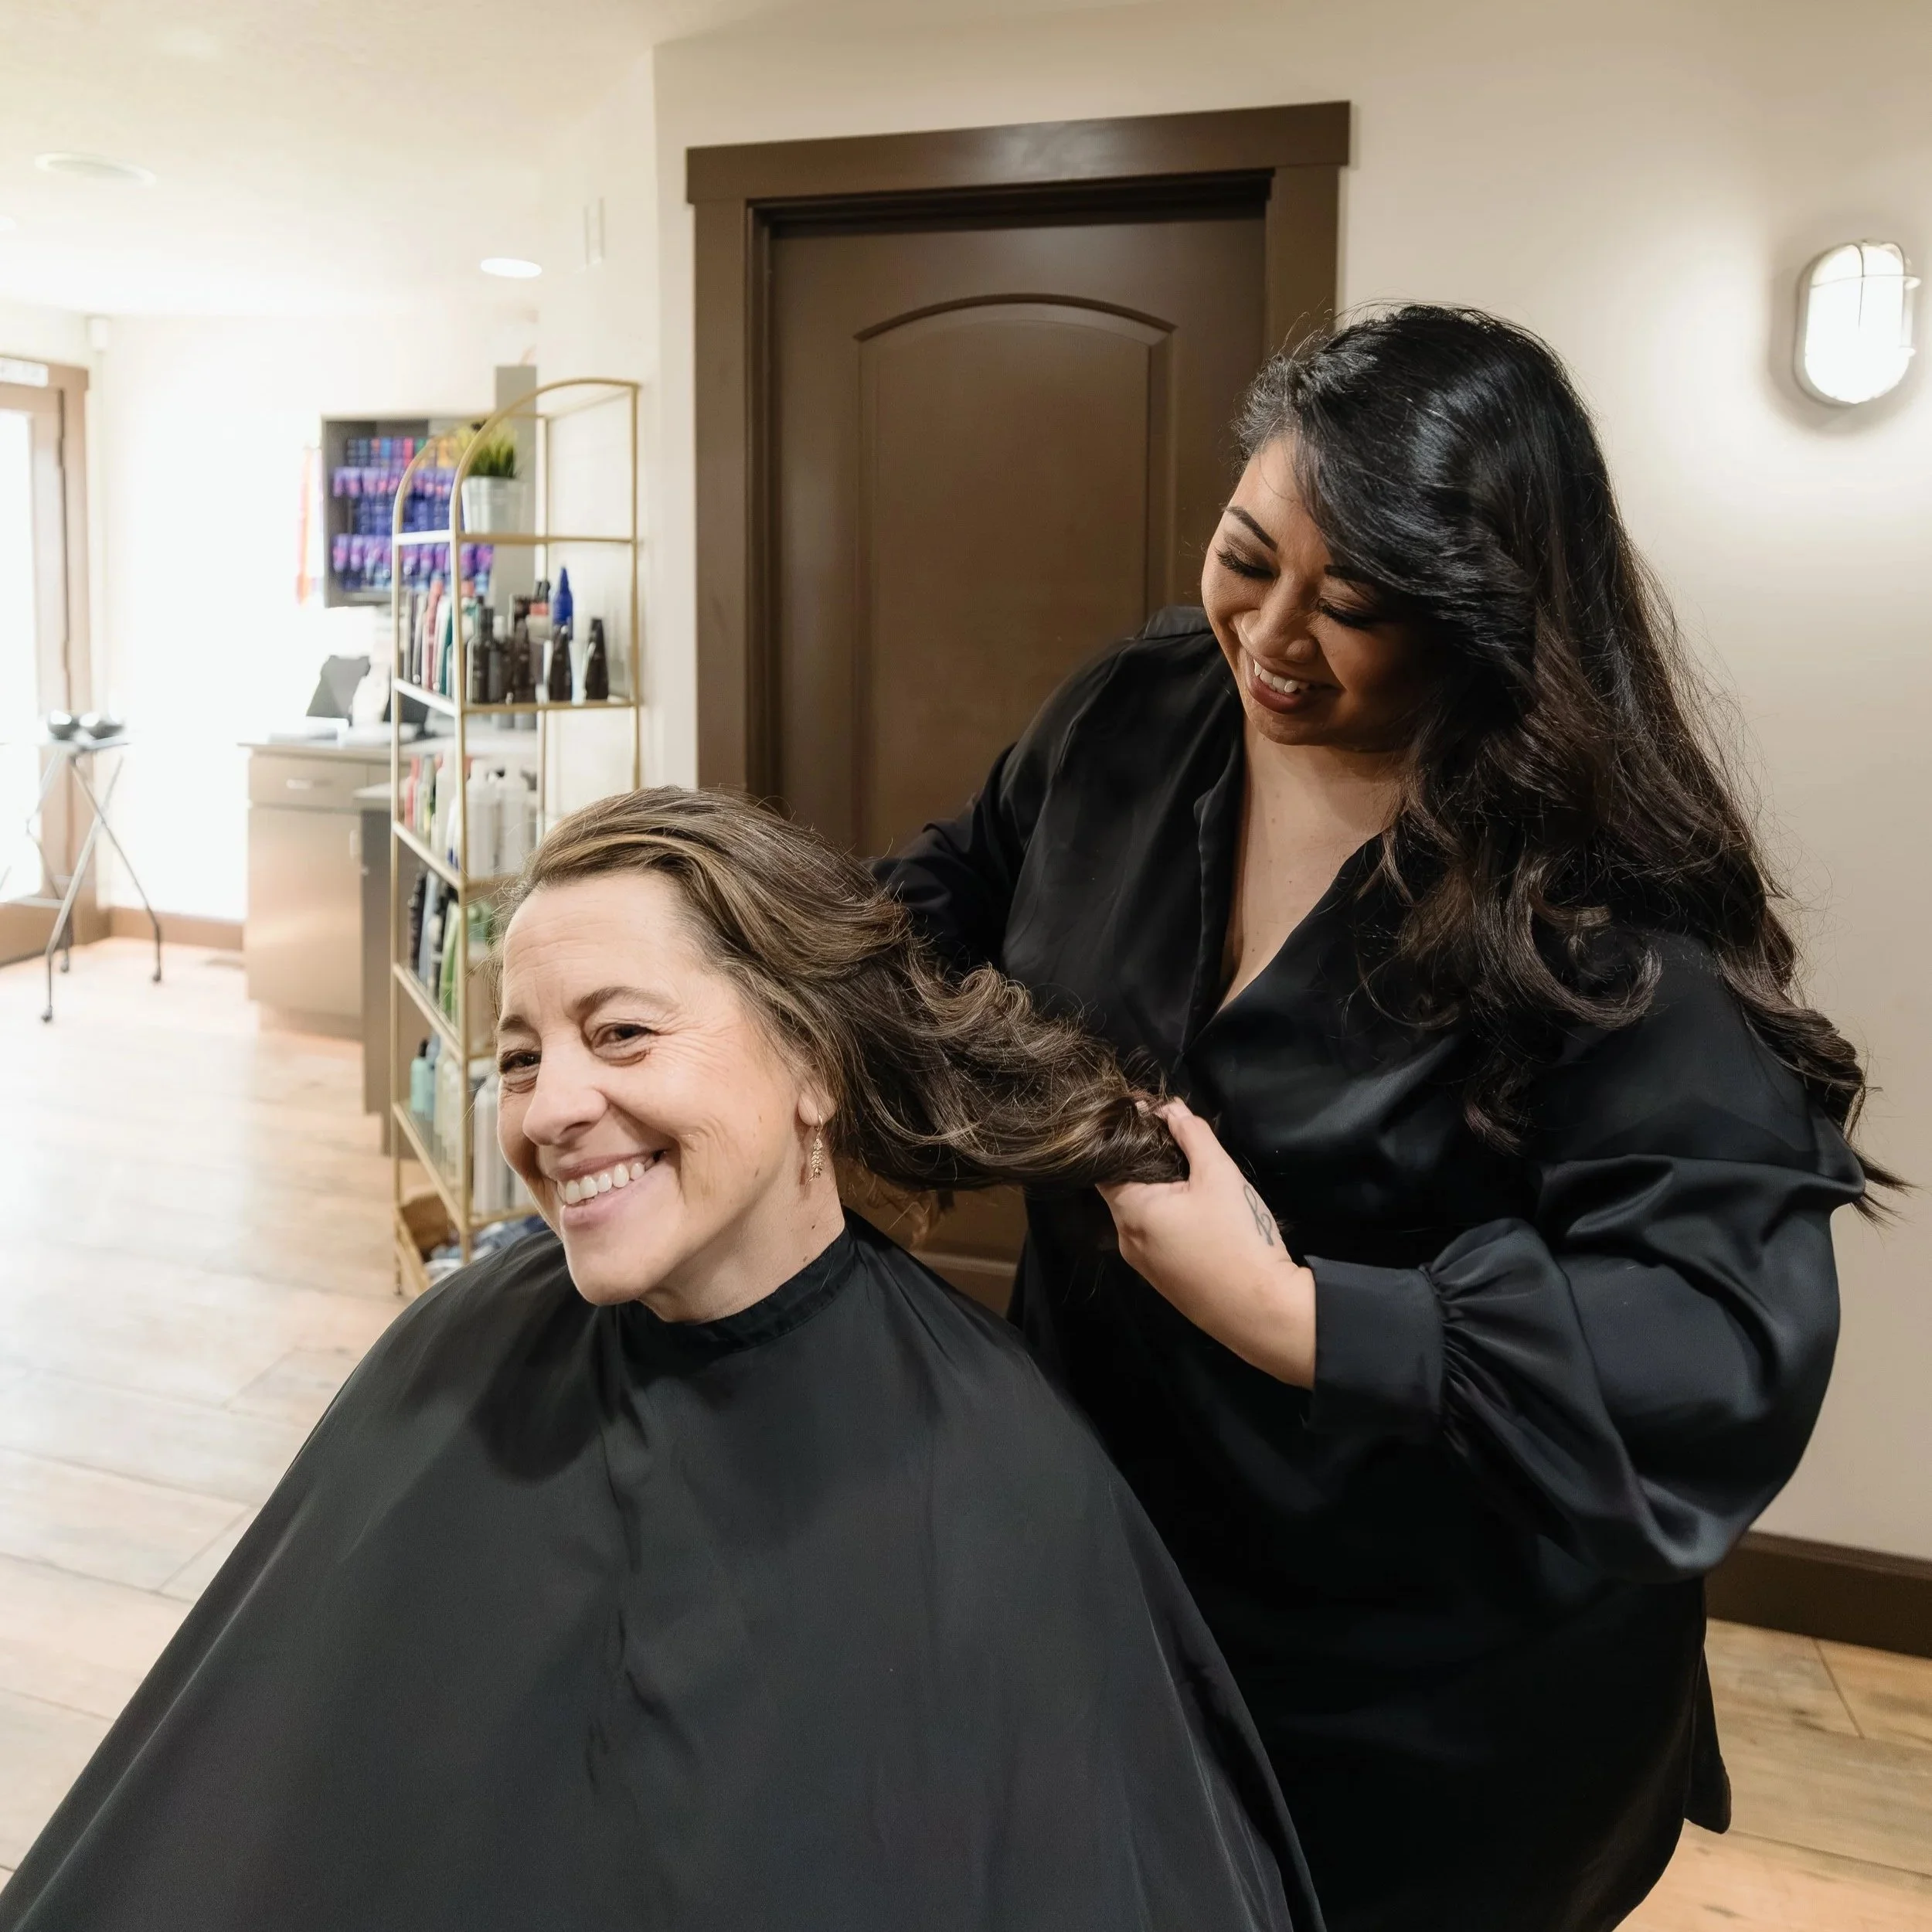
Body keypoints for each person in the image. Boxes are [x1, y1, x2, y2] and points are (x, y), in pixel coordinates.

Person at [876, 305, 1879, 1932]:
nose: (1268, 636)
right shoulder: (1139, 716)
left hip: (1418, 1700)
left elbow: (1706, 1341)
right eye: (1242, 557)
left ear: (1486, 619)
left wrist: (1291, 1312)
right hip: (1103, 1563)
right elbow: (961, 880)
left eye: (1351, 605)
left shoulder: (1596, 917)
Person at [0, 789, 1319, 1932]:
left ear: (812, 1062)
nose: (554, 1108)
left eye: (621, 1033)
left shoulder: (993, 1466)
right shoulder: (461, 1355)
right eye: (520, 1057)